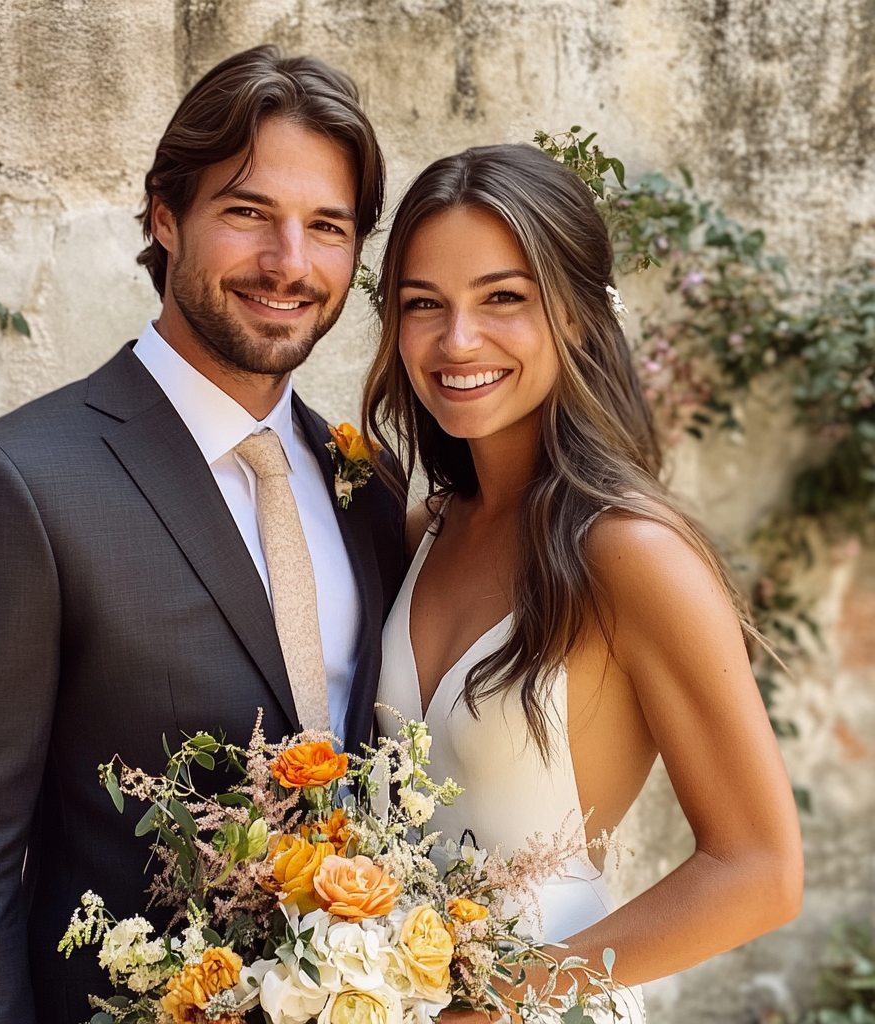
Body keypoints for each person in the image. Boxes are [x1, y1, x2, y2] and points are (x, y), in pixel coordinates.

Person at [0, 46, 405, 1024]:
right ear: (165, 217)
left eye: (326, 227)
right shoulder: (14, 490)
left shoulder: (364, 488)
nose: (289, 264)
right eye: (248, 212)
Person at [368, 144, 804, 1022]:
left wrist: (498, 998)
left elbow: (761, 869)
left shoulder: (631, 554)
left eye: (503, 299)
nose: (458, 341)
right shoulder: (427, 530)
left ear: (573, 314)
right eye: (425, 306)